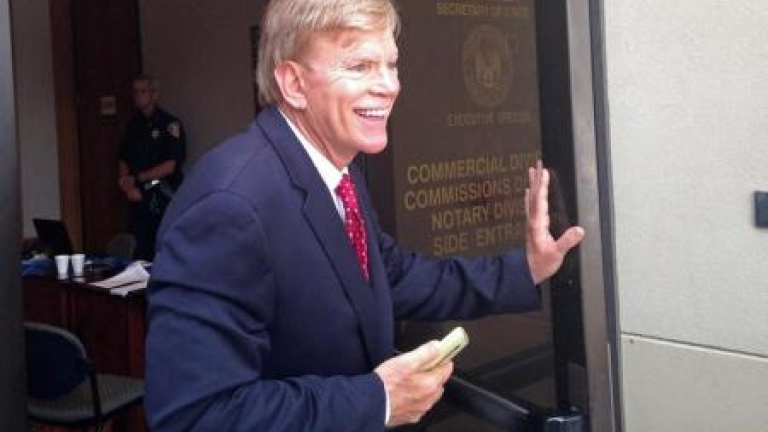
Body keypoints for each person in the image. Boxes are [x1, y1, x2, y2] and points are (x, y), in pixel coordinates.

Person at [144, 0, 584, 431]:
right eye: (359, 66)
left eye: (391, 65)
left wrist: (526, 269)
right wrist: (379, 401)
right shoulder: (230, 206)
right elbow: (195, 416)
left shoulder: (340, 172)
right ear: (294, 83)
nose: (389, 86)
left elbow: (390, 277)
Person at [117, 74, 186, 260]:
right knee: (138, 251)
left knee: (162, 249)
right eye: (135, 92)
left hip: (161, 194)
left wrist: (138, 179)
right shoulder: (133, 125)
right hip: (137, 198)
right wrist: (126, 184)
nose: (138, 96)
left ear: (155, 94)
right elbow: (123, 158)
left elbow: (171, 165)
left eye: (143, 91)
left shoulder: (169, 124)